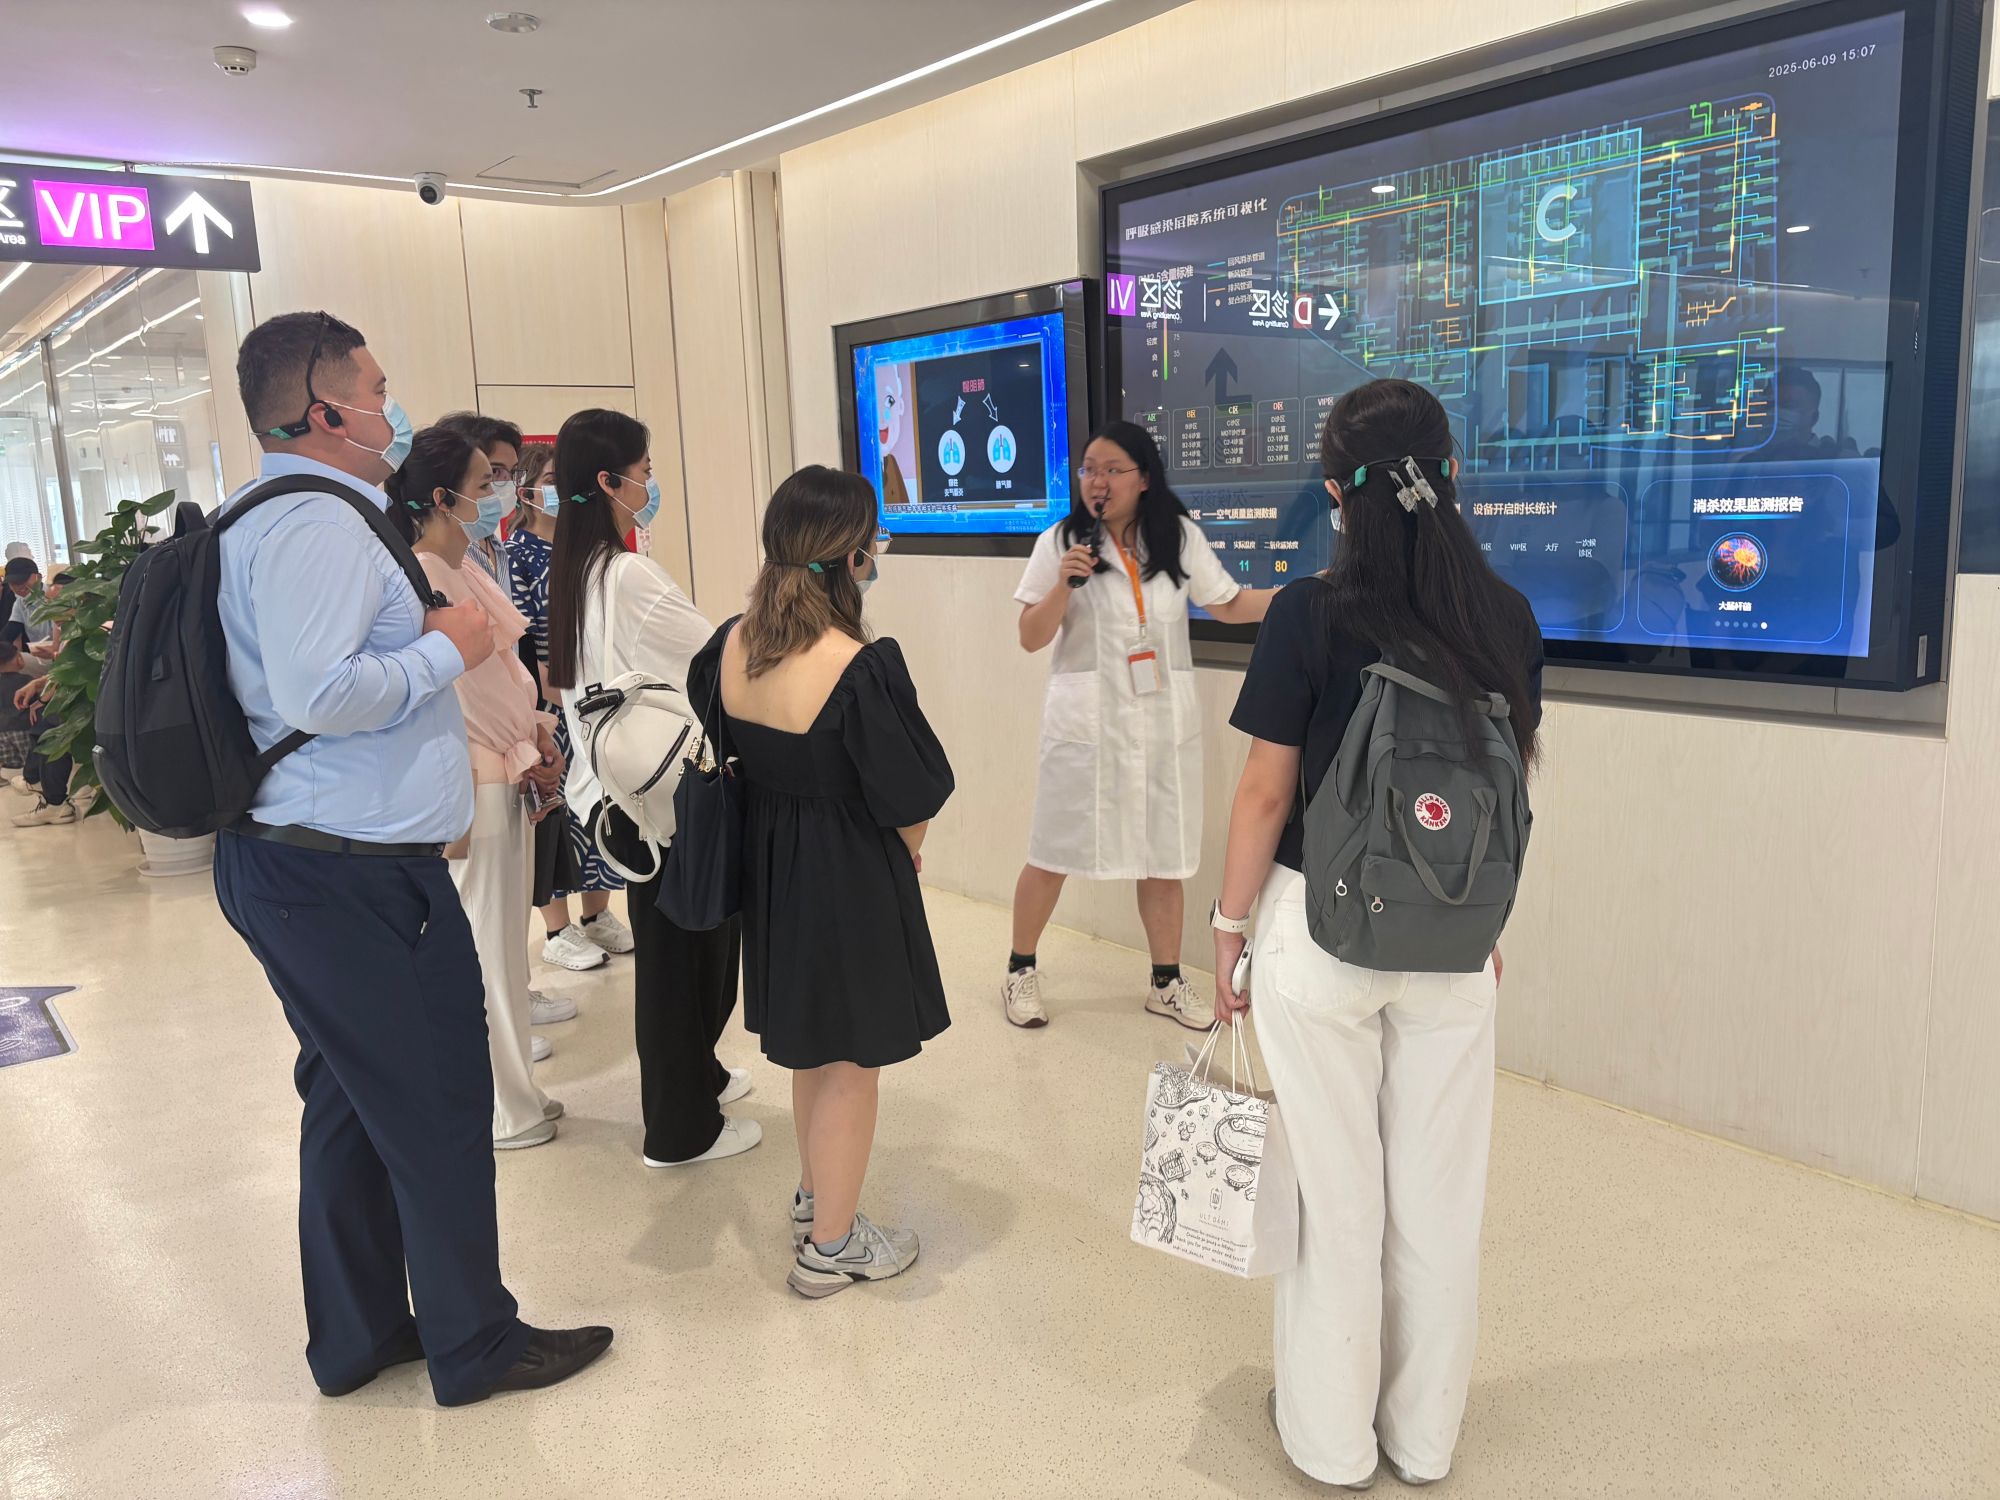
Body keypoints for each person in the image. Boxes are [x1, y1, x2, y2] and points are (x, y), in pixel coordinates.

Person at [211, 310, 611, 1405]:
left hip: (308, 863)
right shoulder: (319, 526)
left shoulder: (267, 513)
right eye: (378, 390)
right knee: (436, 1097)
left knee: (349, 1102)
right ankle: (475, 1343)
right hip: (347, 874)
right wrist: (451, 647)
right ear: (327, 412)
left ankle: (358, 1336)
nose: (392, 408)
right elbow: (321, 693)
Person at [1212, 378, 1543, 1490]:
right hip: (1455, 947)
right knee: (1440, 1204)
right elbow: (1507, 796)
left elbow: (1265, 794)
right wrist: (1479, 920)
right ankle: (1422, 1438)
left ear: (1332, 493)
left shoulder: (1308, 612)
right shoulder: (1506, 616)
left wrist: (1227, 928)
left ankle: (1331, 1442)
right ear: (1451, 475)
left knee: (1334, 1199)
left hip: (1320, 934)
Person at [689, 465, 953, 1298]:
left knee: (813, 1046)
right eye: (873, 542)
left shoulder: (732, 644)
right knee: (851, 1062)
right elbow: (912, 797)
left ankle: (816, 1197)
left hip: (774, 870)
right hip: (848, 874)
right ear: (851, 557)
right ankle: (832, 1248)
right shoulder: (857, 664)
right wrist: (905, 852)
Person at [1004, 421, 1276, 1030]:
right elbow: (1029, 637)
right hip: (1087, 727)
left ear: (1144, 478)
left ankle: (1165, 983)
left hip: (1159, 726)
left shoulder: (1177, 538)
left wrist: (1301, 593)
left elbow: (1229, 604)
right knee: (1051, 851)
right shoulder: (1059, 542)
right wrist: (1062, 585)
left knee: (1163, 858)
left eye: (1112, 469)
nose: (1097, 480)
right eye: (1089, 469)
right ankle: (1020, 969)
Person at [544, 407, 753, 1167]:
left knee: (681, 949)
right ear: (610, 482)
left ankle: (700, 1078)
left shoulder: (577, 569)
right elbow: (718, 653)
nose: (650, 485)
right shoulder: (626, 573)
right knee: (684, 960)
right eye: (645, 471)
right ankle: (679, 1129)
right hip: (667, 798)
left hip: (620, 797)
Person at [392, 426, 571, 1150]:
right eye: (483, 481)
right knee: (488, 950)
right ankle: (505, 1107)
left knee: (505, 946)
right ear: (443, 497)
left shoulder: (460, 566)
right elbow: (469, 693)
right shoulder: (425, 574)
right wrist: (528, 736)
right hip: (481, 776)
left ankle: (519, 1093)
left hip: (508, 765)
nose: (496, 491)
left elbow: (508, 676)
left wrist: (537, 730)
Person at [508, 440, 633, 971]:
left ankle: (596, 914)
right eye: (549, 481)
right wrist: (555, 690)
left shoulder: (586, 550)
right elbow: (519, 640)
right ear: (527, 492)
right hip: (549, 705)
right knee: (554, 813)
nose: (559, 490)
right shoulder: (517, 554)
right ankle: (557, 929)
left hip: (596, 696)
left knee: (601, 804)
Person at [436, 411, 522, 585]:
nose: (508, 483)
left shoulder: (496, 545)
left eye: (513, 472)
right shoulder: (441, 554)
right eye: (495, 471)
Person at [5, 556, 54, 656]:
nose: (19, 586)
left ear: (39, 577)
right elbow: (11, 632)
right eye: (13, 583)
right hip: (39, 655)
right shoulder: (20, 602)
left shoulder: (55, 598)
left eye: (23, 580)